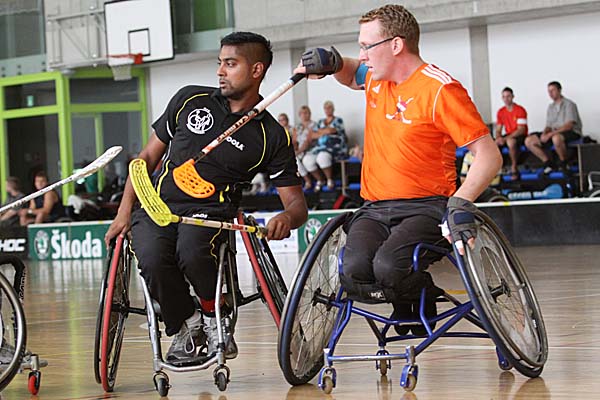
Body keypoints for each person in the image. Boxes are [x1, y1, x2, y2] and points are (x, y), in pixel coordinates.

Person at [296, 4, 502, 335]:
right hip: (375, 208)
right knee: (352, 271)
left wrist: (461, 203)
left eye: (366, 46)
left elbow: (489, 156)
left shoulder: (440, 89)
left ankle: (423, 296)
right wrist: (332, 61)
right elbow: (351, 72)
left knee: (389, 267)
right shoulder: (377, 79)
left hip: (426, 207)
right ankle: (408, 301)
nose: (362, 55)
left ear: (395, 45)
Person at [104, 31, 308, 365]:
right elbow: (146, 159)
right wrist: (124, 211)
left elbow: (297, 205)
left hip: (210, 214)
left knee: (192, 251)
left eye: (231, 64)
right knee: (152, 257)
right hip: (157, 206)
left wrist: (287, 218)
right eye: (220, 62)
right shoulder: (190, 99)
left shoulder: (271, 136)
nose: (220, 71)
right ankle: (188, 325)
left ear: (256, 70)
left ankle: (215, 315)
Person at [524, 81, 583, 174]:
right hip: (554, 132)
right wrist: (544, 133)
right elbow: (549, 125)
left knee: (556, 138)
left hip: (571, 132)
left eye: (553, 90)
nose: (550, 93)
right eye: (549, 91)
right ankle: (548, 162)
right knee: (529, 141)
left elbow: (569, 125)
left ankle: (564, 163)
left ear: (559, 90)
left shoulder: (569, 104)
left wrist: (550, 134)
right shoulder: (551, 107)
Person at [303, 100, 348, 191]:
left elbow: (331, 130)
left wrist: (320, 132)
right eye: (326, 108)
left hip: (334, 148)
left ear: (333, 109)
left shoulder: (338, 120)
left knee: (322, 157)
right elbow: (312, 135)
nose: (328, 110)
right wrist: (325, 131)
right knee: (307, 160)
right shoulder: (320, 121)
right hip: (319, 148)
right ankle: (320, 180)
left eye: (329, 108)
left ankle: (329, 179)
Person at [494, 87, 528, 180]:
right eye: (504, 97)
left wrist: (505, 139)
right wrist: (499, 138)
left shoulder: (520, 110)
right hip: (508, 135)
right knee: (494, 143)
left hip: (520, 135)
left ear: (513, 97)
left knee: (511, 142)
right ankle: (498, 167)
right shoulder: (501, 112)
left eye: (508, 96)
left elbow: (521, 130)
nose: (506, 99)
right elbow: (498, 129)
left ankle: (514, 166)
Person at [292, 105, 318, 189]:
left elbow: (308, 141)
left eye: (306, 113)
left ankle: (319, 180)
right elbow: (294, 140)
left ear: (309, 114)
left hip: (311, 149)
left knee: (306, 160)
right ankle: (307, 181)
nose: (304, 115)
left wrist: (299, 151)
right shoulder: (297, 127)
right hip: (300, 150)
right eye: (302, 113)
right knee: (294, 160)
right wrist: (294, 149)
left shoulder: (314, 125)